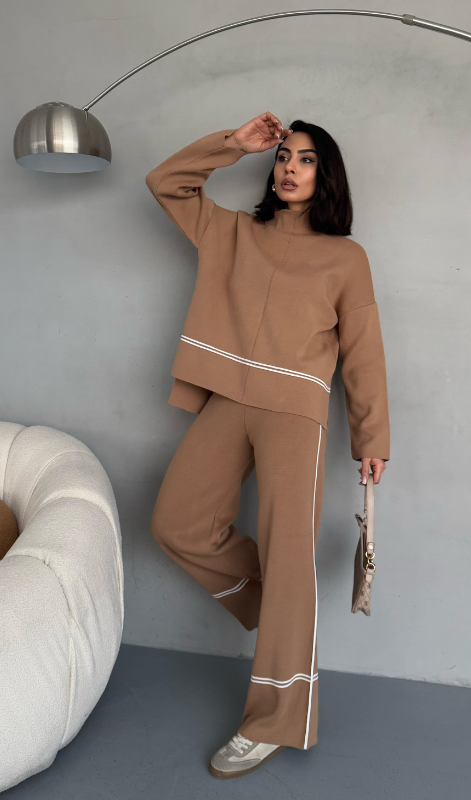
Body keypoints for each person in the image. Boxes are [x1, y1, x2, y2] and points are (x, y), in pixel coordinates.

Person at [145, 111, 390, 779]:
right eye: (284, 156)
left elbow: (364, 354)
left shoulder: (346, 258)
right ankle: (280, 602)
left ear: (326, 174)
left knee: (289, 557)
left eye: (306, 159)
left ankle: (276, 721)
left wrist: (372, 437)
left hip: (296, 414)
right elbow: (165, 183)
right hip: (229, 400)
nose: (290, 167)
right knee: (177, 522)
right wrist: (233, 144)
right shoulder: (232, 231)